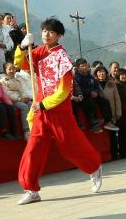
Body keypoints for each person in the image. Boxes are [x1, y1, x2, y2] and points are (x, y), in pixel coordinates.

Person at [14, 18, 104, 205]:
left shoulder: (62, 57)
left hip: (58, 110)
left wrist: (45, 104)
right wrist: (22, 48)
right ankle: (31, 189)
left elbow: (64, 91)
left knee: (70, 147)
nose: (46, 34)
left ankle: (94, 167)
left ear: (59, 35)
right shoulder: (38, 52)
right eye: (44, 31)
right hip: (40, 111)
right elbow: (21, 65)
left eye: (51, 32)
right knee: (33, 148)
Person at [0, 63, 33, 139]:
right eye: (10, 69)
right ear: (5, 70)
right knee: (24, 107)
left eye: (13, 69)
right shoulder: (2, 81)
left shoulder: (16, 80)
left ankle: (34, 127)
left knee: (31, 104)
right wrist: (19, 99)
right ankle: (26, 130)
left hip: (20, 98)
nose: (12, 71)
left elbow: (21, 90)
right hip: (11, 100)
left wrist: (25, 97)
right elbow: (8, 93)